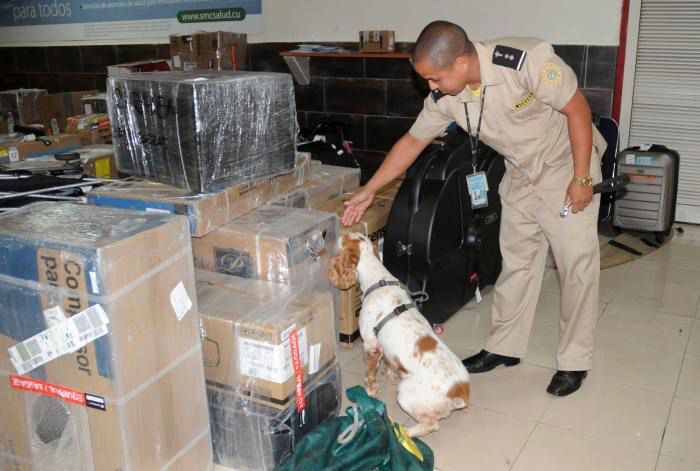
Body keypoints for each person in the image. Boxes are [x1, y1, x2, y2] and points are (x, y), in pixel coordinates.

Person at [341, 20, 606, 397]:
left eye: (434, 78)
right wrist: (371, 188)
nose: (430, 87)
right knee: (516, 262)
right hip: (519, 173)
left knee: (575, 266)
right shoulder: (448, 96)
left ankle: (575, 361)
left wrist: (582, 179)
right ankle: (505, 347)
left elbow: (578, 111)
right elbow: (412, 142)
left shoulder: (524, 61)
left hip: (565, 168)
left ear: (461, 62)